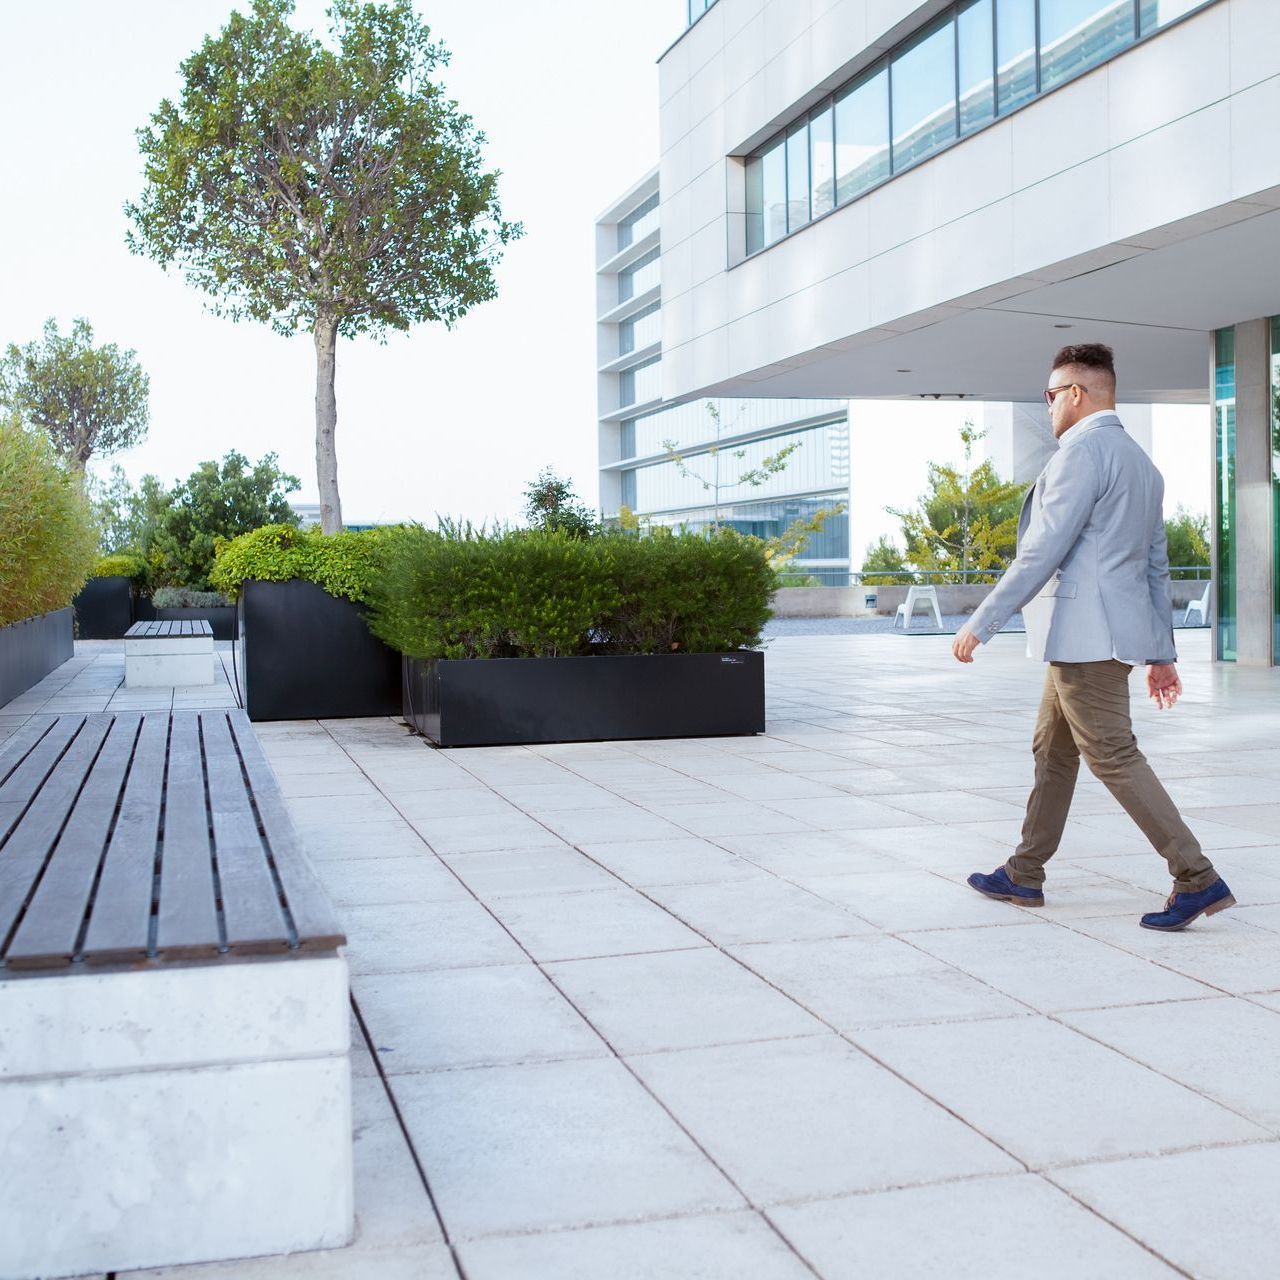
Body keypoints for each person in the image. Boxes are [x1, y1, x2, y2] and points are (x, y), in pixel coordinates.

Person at [952, 343, 1233, 932]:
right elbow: (1154, 567)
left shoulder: (1082, 455)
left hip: (1086, 639)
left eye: (1051, 395)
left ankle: (1196, 876)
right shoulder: (1140, 462)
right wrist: (1161, 651)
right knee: (1052, 752)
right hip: (1092, 638)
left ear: (1077, 394)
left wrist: (983, 621)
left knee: (1112, 754)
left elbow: (1041, 550)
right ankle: (1025, 872)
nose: (1048, 405)